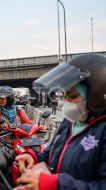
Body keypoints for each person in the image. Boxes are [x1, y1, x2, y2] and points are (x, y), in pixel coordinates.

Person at [15, 53, 106, 190]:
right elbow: (51, 152)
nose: (66, 102)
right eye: (65, 95)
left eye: (73, 95)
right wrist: (33, 157)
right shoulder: (69, 122)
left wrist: (55, 184)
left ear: (97, 96)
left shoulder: (103, 131)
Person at [0, 86, 46, 190]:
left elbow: (29, 123)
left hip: (18, 144)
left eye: (3, 98)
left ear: (10, 99)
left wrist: (39, 127)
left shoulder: (19, 111)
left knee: (27, 163)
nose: (0, 100)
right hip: (2, 145)